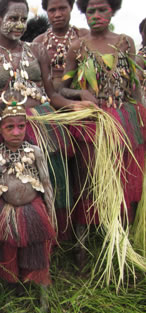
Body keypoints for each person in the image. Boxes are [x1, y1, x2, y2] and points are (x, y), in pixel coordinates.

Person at [0, 0, 93, 242]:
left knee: (52, 180)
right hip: (8, 130)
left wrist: (76, 105)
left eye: (23, 19)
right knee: (15, 186)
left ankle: (57, 240)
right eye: (13, 18)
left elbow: (52, 95)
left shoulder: (37, 51)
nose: (19, 25)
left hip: (45, 126)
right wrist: (4, 104)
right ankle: (16, 240)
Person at [61, 0, 145, 266]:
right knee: (88, 181)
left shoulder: (126, 42)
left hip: (125, 119)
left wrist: (140, 114)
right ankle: (82, 249)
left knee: (124, 181)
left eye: (102, 10)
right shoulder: (77, 46)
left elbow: (134, 86)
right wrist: (80, 93)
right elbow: (60, 87)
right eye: (90, 11)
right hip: (92, 123)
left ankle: (121, 248)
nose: (96, 16)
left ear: (112, 12)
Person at [0, 92, 55, 309]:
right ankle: (13, 293)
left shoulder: (35, 152)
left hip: (33, 210)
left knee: (38, 253)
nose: (16, 132)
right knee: (8, 252)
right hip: (6, 211)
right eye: (9, 127)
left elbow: (46, 183)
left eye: (21, 127)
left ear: (26, 127)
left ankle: (43, 296)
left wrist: (50, 212)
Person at [33, 0, 88, 90]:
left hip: (81, 97)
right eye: (52, 10)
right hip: (47, 99)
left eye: (62, 8)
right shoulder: (38, 43)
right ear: (46, 11)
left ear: (71, 7)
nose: (57, 14)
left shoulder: (83, 36)